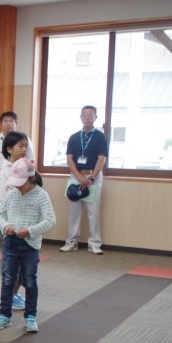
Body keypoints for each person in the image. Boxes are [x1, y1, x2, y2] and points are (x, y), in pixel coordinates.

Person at [0, 157, 56, 333]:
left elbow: (50, 220)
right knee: (7, 280)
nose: (18, 186)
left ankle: (30, 317)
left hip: (30, 247)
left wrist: (30, 230)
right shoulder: (12, 194)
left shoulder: (41, 195)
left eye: (22, 182)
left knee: (30, 281)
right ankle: (4, 315)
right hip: (10, 244)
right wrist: (6, 226)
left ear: (31, 178)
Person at [0, 111, 35, 248]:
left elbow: (31, 160)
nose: (8, 123)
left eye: (11, 121)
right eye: (5, 121)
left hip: (21, 181)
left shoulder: (25, 139)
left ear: (15, 123)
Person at [60, 105, 107, 255]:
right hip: (76, 177)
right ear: (80, 117)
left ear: (95, 118)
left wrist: (92, 177)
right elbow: (69, 159)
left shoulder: (100, 137)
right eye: (84, 115)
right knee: (73, 212)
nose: (87, 117)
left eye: (90, 115)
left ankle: (94, 243)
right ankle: (71, 242)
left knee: (93, 212)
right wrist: (79, 177)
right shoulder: (74, 137)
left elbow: (101, 159)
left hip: (94, 177)